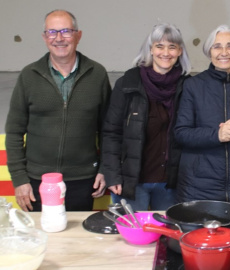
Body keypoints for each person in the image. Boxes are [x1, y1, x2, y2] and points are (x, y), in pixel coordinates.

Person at [5, 10, 111, 212]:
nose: (59, 38)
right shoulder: (29, 75)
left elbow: (108, 130)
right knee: (42, 240)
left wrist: (105, 168)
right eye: (52, 32)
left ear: (78, 36)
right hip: (37, 180)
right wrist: (19, 179)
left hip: (82, 180)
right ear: (45, 37)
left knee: (77, 241)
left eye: (66, 31)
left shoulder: (97, 74)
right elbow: (14, 132)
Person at [102, 23, 191, 211]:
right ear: (150, 49)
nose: (165, 52)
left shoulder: (189, 86)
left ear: (180, 51)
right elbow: (111, 133)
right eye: (159, 46)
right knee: (131, 238)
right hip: (132, 182)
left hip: (172, 184)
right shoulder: (128, 83)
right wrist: (112, 174)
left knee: (169, 237)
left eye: (172, 47)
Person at [174, 25, 230, 209]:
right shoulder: (193, 86)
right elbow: (181, 133)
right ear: (209, 52)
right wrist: (217, 135)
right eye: (217, 46)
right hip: (198, 187)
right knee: (199, 238)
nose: (224, 52)